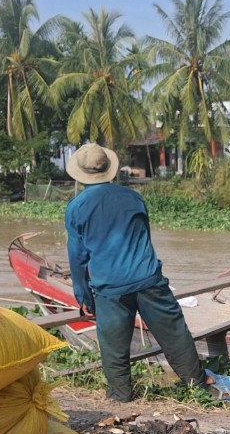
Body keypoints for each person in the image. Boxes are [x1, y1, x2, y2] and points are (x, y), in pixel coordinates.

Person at [64, 143, 203, 403]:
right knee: (175, 334)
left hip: (110, 288)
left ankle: (121, 395)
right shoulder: (133, 198)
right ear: (109, 169)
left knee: (114, 347)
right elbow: (143, 237)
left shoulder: (77, 208)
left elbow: (78, 258)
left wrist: (83, 298)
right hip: (148, 279)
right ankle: (197, 386)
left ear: (81, 173)